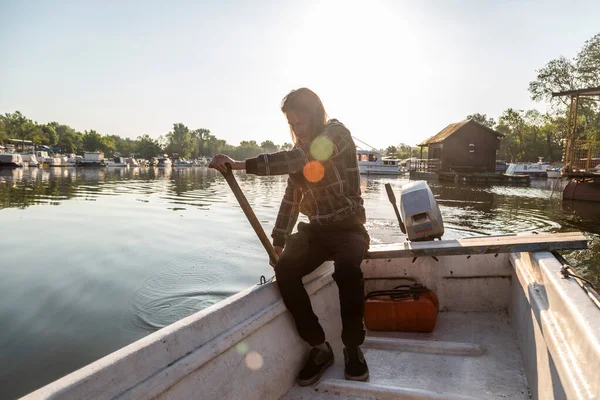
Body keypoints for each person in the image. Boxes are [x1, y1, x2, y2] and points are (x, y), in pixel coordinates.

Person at [209, 88, 369, 386]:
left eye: (301, 122)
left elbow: (301, 158)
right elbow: (291, 201)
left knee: (347, 268)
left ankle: (353, 348)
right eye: (292, 125)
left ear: (316, 115)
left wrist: (242, 165)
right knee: (285, 271)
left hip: (349, 227)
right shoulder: (300, 152)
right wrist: (279, 243)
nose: (297, 130)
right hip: (317, 231)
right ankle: (319, 347)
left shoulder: (336, 134)